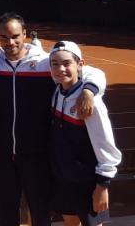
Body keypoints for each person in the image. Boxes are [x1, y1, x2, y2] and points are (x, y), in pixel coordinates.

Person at [0, 12, 106, 226]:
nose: (10, 42)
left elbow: (91, 71)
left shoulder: (44, 63)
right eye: (3, 37)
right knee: (5, 213)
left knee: (40, 212)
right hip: (5, 153)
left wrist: (88, 90)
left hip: (38, 154)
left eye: (15, 36)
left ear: (24, 34)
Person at [48, 41, 121, 226]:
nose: (61, 69)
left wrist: (103, 185)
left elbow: (105, 144)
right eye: (55, 64)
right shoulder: (57, 91)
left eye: (66, 63)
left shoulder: (89, 101)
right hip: (64, 177)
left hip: (88, 181)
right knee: (70, 222)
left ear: (80, 64)